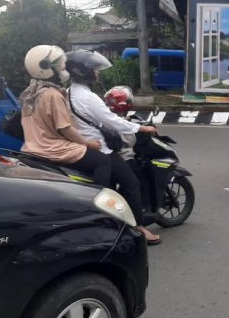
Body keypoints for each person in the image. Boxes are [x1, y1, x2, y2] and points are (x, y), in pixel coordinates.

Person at [65, 50, 162, 245]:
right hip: (100, 149)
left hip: (79, 147)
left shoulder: (67, 93)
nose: (98, 73)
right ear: (85, 72)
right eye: (94, 69)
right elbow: (112, 122)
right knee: (131, 184)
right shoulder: (88, 97)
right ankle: (139, 228)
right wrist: (142, 127)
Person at [19, 44, 110, 184]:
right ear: (46, 68)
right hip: (53, 149)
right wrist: (88, 143)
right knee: (103, 162)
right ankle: (97, 200)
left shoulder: (30, 93)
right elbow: (65, 128)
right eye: (61, 66)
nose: (64, 69)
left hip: (31, 148)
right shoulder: (53, 95)